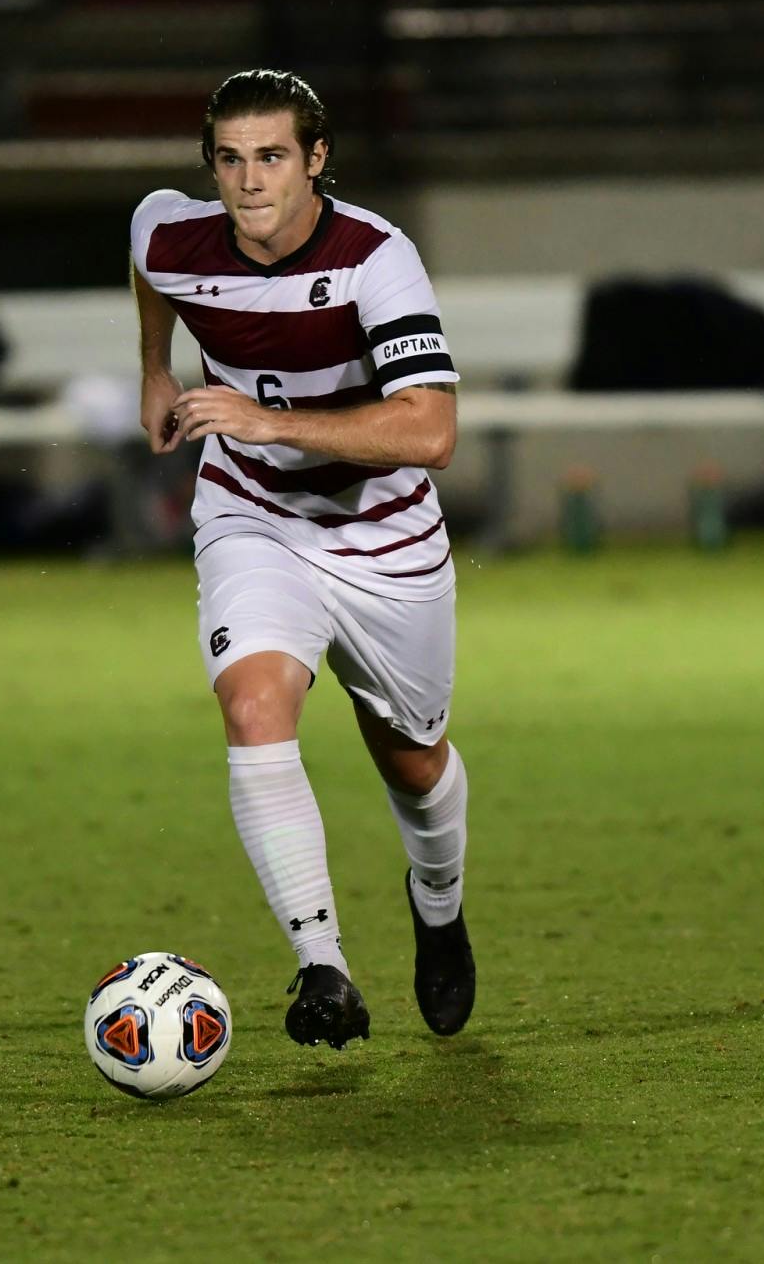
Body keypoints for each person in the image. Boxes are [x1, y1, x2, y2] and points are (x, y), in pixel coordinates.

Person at [129, 69, 474, 1050]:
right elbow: (147, 259)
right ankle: (321, 963)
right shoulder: (170, 234)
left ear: (316, 159)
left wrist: (260, 415)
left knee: (410, 760)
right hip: (251, 517)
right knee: (252, 703)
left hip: (384, 538)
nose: (249, 181)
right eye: (229, 160)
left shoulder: (376, 258)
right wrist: (155, 367)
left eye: (271, 156)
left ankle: (439, 904)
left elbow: (431, 430)